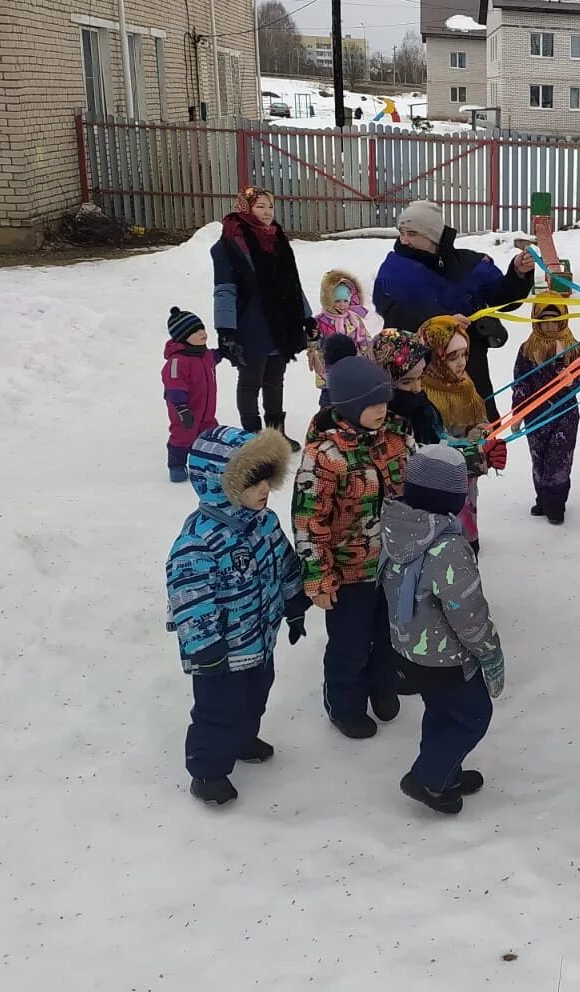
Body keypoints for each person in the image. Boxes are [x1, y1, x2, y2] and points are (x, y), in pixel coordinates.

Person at [166, 426, 308, 806]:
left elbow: (285, 564)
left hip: (259, 640)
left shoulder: (264, 523)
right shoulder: (198, 542)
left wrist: (294, 604)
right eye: (251, 481)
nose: (264, 489)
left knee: (255, 696)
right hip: (220, 654)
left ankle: (244, 738)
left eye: (266, 478)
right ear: (221, 484)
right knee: (217, 711)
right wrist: (205, 647)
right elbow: (191, 600)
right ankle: (207, 772)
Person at [381, 444, 505, 814]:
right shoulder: (448, 547)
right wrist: (490, 652)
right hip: (445, 658)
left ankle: (444, 770)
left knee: (440, 711)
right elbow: (467, 612)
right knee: (472, 715)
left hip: (409, 648)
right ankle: (429, 779)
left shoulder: (399, 527)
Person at [292, 355, 410, 740]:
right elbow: (309, 521)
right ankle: (345, 704)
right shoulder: (324, 457)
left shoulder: (394, 435)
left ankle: (383, 686)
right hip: (348, 571)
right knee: (351, 642)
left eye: (385, 401)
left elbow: (422, 468)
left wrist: (471, 457)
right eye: (372, 404)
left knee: (389, 631)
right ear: (348, 406)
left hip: (391, 561)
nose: (382, 410)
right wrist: (318, 578)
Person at [371, 199, 536, 420]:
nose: (404, 240)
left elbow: (503, 299)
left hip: (470, 365)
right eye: (402, 232)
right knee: (432, 435)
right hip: (422, 372)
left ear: (432, 235)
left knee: (479, 431)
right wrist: (440, 322)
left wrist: (518, 272)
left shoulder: (470, 263)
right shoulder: (395, 269)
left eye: (412, 233)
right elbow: (390, 310)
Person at [211, 187, 315, 449]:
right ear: (246, 208)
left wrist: (306, 317)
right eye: (260, 207)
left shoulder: (277, 238)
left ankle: (275, 432)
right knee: (251, 380)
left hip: (280, 321)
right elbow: (225, 289)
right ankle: (252, 435)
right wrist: (226, 330)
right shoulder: (229, 243)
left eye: (270, 206)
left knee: (274, 379)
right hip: (250, 322)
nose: (267, 213)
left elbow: (293, 284)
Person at [417, 315, 506, 548]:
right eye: (452, 357)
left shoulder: (465, 383)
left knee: (468, 504)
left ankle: (469, 540)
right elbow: (431, 437)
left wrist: (480, 430)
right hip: (439, 475)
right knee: (445, 514)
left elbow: (479, 416)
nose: (461, 363)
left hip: (468, 470)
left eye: (465, 354)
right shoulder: (422, 391)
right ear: (434, 356)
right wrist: (467, 444)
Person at [513, 299, 580, 525]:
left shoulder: (574, 347)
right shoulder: (527, 349)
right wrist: (518, 414)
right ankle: (542, 499)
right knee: (539, 458)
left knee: (559, 458)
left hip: (565, 414)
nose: (551, 326)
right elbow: (521, 382)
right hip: (536, 415)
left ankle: (556, 505)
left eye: (556, 321)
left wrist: (571, 378)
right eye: (545, 321)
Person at [162, 306, 220, 483]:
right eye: (195, 331)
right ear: (182, 337)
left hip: (206, 410)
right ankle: (177, 465)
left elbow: (215, 356)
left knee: (209, 434)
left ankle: (206, 464)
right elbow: (174, 388)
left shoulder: (204, 354)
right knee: (183, 436)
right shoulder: (177, 362)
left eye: (202, 328)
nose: (202, 333)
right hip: (185, 411)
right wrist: (182, 409)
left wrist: (227, 352)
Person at [367, 329, 444, 445]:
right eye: (406, 382)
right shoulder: (375, 427)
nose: (417, 389)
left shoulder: (425, 410)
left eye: (420, 377)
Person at [309, 270, 373, 405]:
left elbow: (363, 337)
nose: (342, 304)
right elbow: (312, 340)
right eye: (337, 301)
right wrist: (313, 347)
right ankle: (325, 415)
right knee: (329, 397)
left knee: (350, 395)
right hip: (328, 368)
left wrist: (368, 355)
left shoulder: (353, 319)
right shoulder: (320, 321)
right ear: (329, 300)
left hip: (352, 365)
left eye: (345, 300)